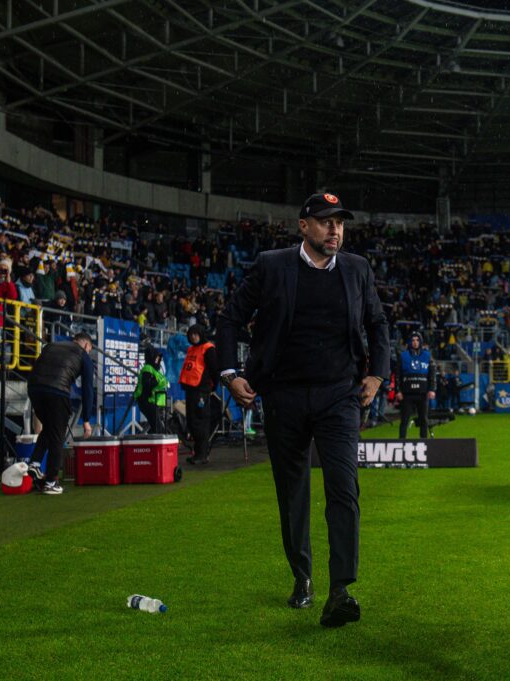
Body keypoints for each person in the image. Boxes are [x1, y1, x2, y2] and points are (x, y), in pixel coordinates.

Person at [216, 192, 389, 628]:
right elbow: (231, 318)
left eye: (340, 222)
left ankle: (340, 589)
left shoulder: (357, 269)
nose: (336, 229)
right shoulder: (272, 265)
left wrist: (378, 374)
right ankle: (303, 578)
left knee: (343, 489)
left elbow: (377, 324)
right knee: (292, 492)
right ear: (304, 226)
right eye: (326, 221)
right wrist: (229, 374)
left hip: (339, 396)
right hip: (284, 396)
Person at [27, 332, 96, 495]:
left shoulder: (51, 346)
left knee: (50, 428)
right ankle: (51, 481)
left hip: (34, 388)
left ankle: (35, 464)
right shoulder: (83, 355)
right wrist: (86, 419)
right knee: (58, 435)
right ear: (86, 345)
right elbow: (88, 390)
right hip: (57, 390)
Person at [178, 324, 220, 465]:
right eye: (191, 334)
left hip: (202, 390)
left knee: (200, 422)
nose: (193, 337)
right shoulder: (191, 349)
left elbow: (215, 370)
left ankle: (202, 454)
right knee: (191, 421)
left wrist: (212, 386)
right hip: (191, 390)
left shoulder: (208, 349)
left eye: (196, 334)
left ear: (201, 334)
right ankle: (198, 453)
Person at [397, 331, 436, 439]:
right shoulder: (403, 356)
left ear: (421, 341)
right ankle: (401, 443)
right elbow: (398, 375)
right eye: (413, 340)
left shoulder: (427, 355)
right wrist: (398, 390)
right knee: (404, 419)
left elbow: (432, 374)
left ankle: (424, 442)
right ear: (410, 342)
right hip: (407, 394)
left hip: (422, 393)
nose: (415, 342)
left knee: (423, 419)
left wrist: (432, 389)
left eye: (417, 340)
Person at [135, 345, 169, 434]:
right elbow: (148, 384)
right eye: (156, 357)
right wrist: (160, 383)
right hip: (147, 401)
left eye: (159, 358)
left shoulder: (153, 369)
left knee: (156, 426)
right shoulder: (148, 368)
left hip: (153, 401)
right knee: (157, 427)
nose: (158, 360)